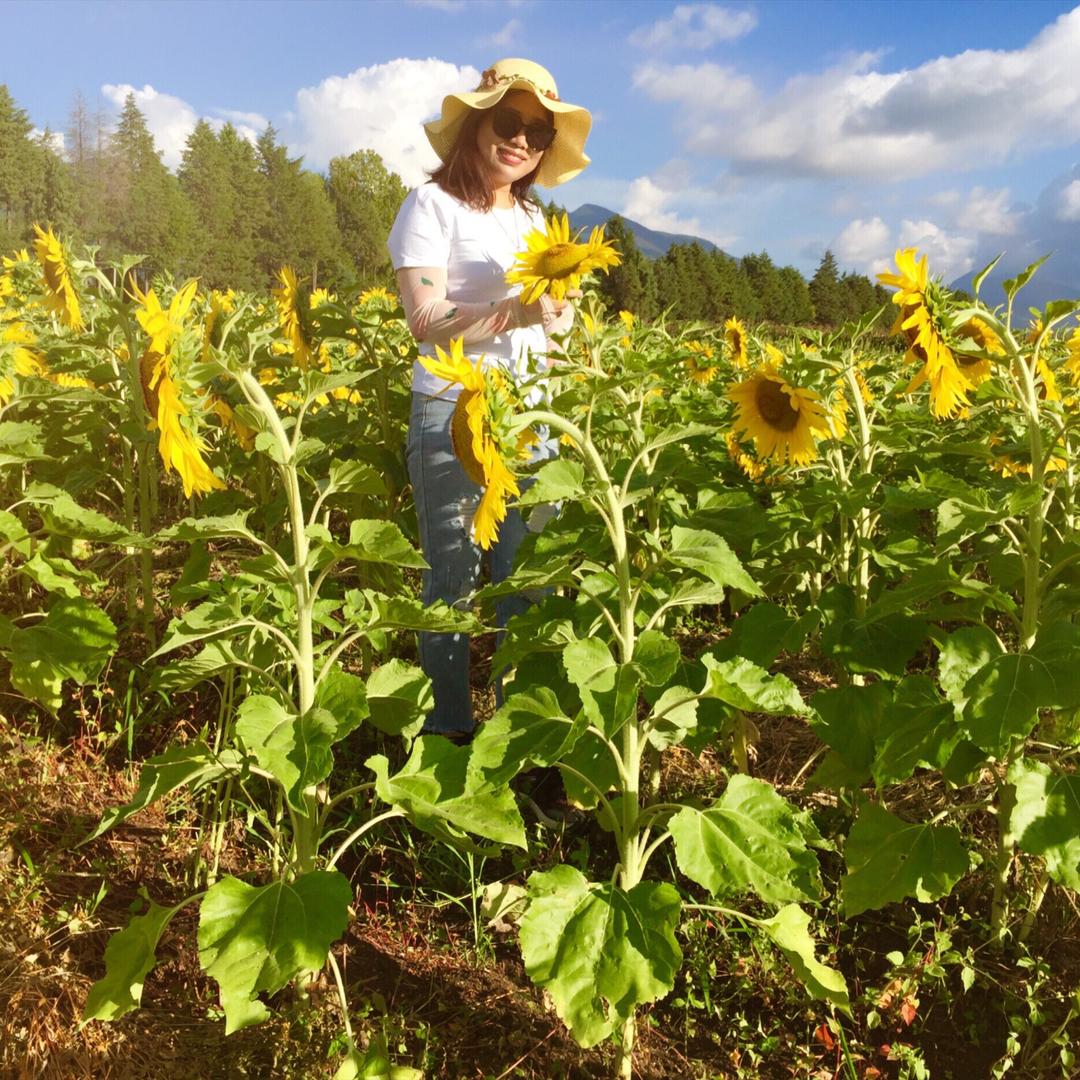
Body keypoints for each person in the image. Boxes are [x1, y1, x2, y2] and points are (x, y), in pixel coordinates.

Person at [387, 57, 592, 737]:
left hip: (531, 415)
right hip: (453, 409)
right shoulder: (431, 205)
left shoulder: (536, 219)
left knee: (530, 584)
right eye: (509, 121)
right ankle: (447, 734)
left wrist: (557, 326)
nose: (522, 141)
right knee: (451, 579)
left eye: (538, 134)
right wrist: (516, 310)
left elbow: (546, 322)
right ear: (478, 120)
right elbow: (424, 321)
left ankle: (520, 741)